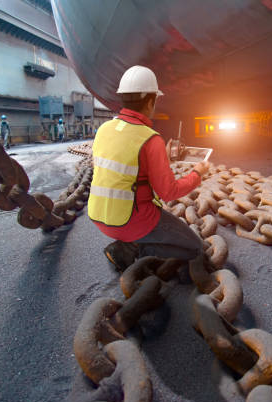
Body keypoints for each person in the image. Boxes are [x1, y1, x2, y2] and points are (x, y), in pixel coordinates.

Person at [87, 65, 210, 271]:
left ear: (122, 98)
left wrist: (164, 158)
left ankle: (127, 244)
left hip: (99, 216)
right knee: (195, 248)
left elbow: (124, 167)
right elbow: (168, 192)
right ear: (151, 101)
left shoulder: (104, 129)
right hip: (132, 220)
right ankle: (131, 249)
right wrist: (197, 173)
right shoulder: (150, 139)